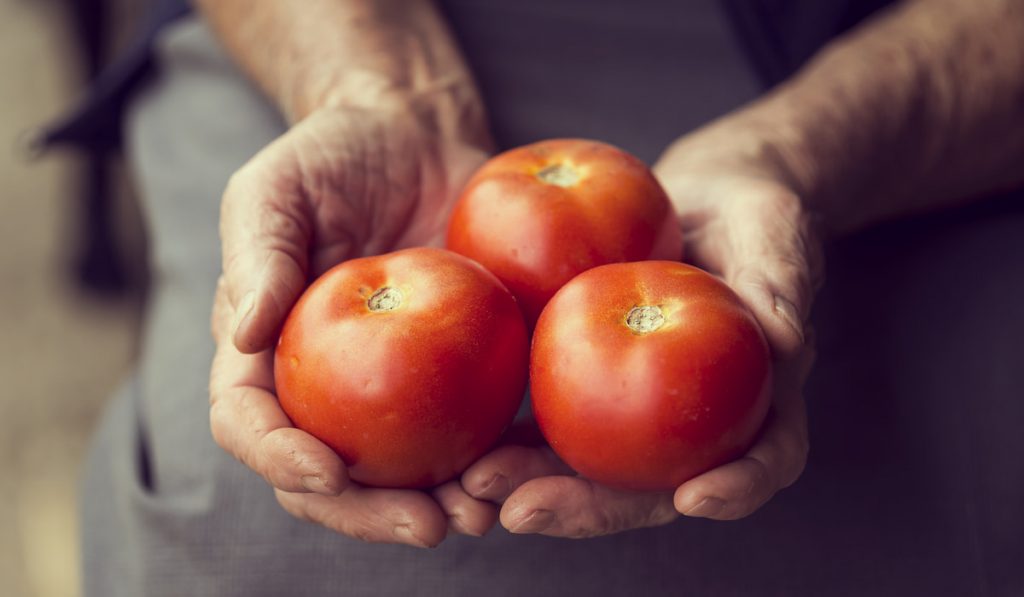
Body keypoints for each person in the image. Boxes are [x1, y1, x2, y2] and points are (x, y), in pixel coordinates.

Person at [81, 0, 1024, 595]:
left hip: (882, 44)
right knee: (233, 531)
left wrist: (790, 155)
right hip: (352, 24)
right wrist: (372, 89)